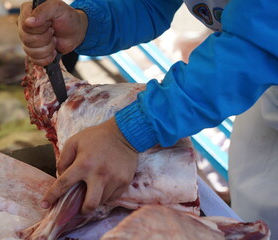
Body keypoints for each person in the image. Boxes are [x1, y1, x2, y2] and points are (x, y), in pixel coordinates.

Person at [18, 0, 278, 237]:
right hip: (267, 87)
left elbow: (252, 49)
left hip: (258, 60)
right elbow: (150, 4)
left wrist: (129, 133)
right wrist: (85, 22)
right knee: (255, 206)